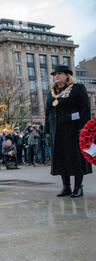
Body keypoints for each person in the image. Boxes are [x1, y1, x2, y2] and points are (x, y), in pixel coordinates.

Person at [45, 65, 92, 198]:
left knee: (76, 158)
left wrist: (84, 127)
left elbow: (85, 108)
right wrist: (47, 130)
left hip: (73, 130)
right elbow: (47, 113)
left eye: (59, 73)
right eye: (55, 74)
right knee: (60, 158)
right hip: (57, 131)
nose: (57, 76)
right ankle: (66, 187)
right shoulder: (52, 93)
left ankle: (78, 187)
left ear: (67, 75)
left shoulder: (77, 88)